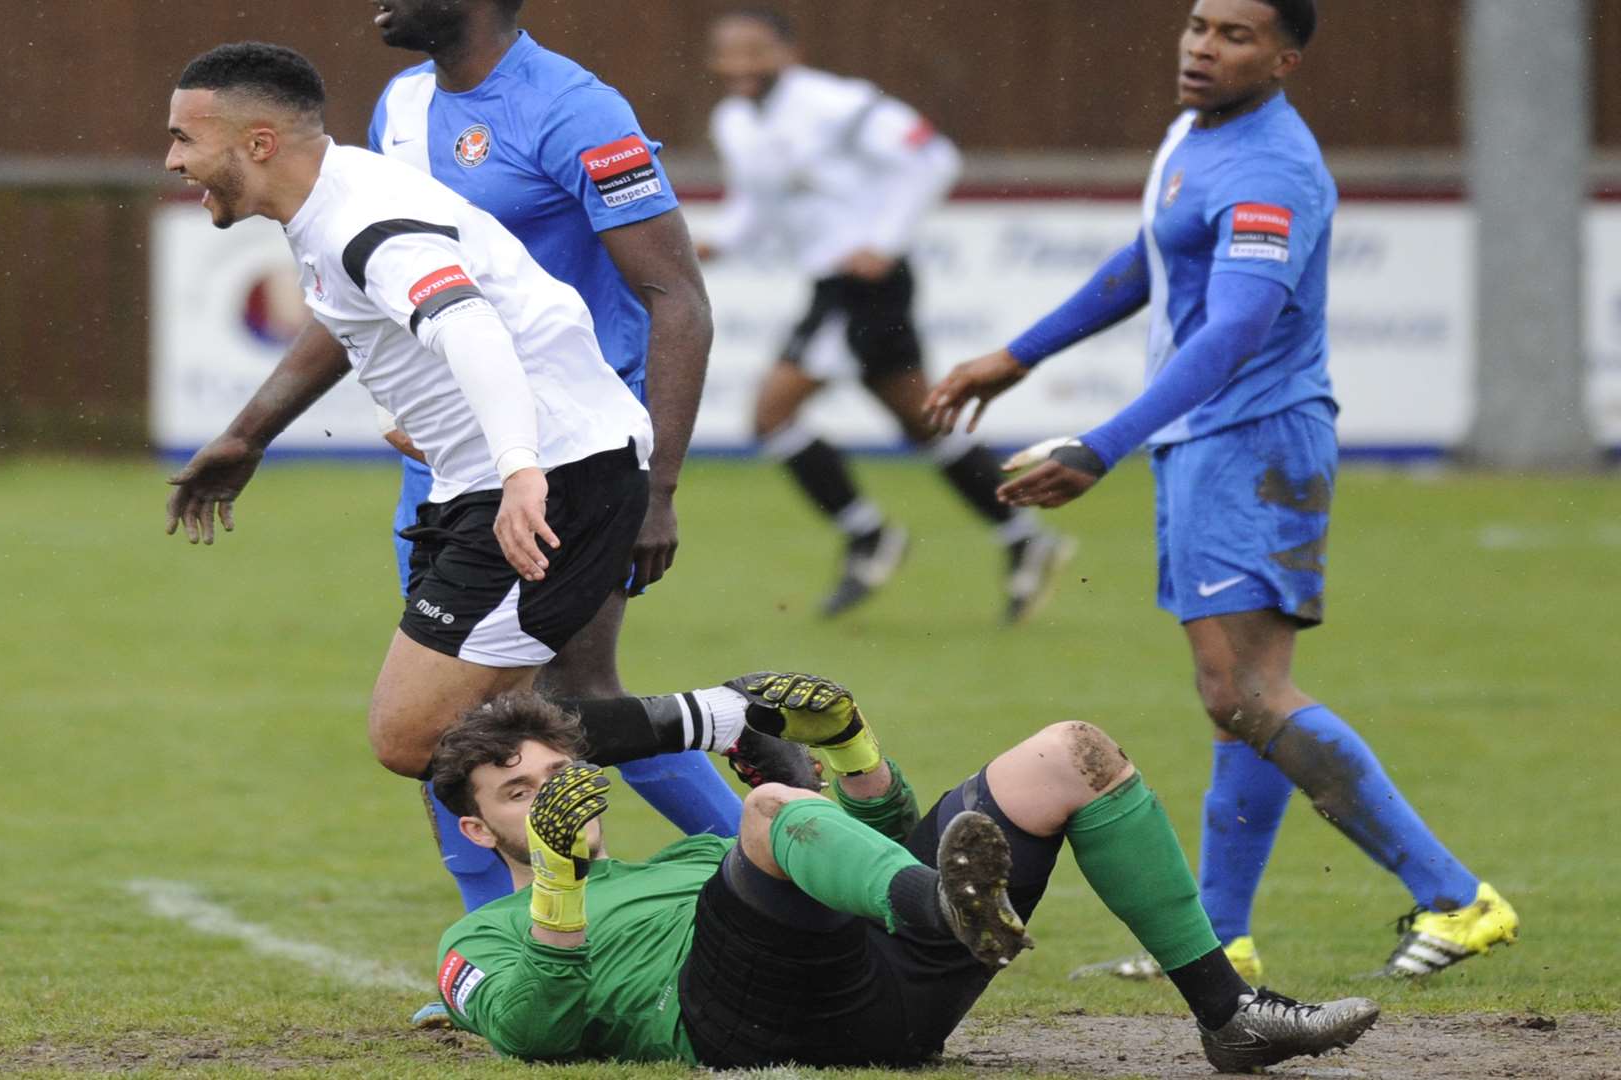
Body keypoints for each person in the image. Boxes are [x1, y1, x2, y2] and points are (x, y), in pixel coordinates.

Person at [924, 0, 1517, 980]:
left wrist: (1105, 443)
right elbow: (1149, 262)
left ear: (1285, 58)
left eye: (1235, 34)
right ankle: (1224, 936)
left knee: (1250, 690)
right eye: (1199, 24)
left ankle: (1457, 898)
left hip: (1252, 443)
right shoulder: (1198, 135)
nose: (1204, 45)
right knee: (1232, 697)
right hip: (1213, 443)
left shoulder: (1271, 169)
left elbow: (1237, 328)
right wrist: (1017, 356)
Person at [159, 42, 814, 863]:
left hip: (551, 482)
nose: (173, 159)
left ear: (257, 143)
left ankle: (731, 719)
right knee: (505, 736)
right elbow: (475, 321)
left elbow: (469, 326)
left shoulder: (366, 222)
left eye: (185, 138)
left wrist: (517, 469)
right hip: (534, 470)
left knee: (418, 739)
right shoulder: (341, 196)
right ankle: (574, 923)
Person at [429, 673, 1380, 1071]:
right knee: (771, 812)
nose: (551, 798)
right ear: (477, 831)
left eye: (560, 778)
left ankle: (1230, 1015)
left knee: (1070, 752)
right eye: (518, 794)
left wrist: (854, 752)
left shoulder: (689, 857)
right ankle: (945, 912)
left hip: (881, 983)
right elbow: (535, 1036)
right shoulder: (476, 941)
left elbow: (861, 844)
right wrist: (553, 879)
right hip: (737, 1020)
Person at [350, 0, 747, 920]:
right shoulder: (400, 105)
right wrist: (264, 428)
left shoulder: (577, 109)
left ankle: (779, 883)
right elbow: (391, 284)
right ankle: (491, 937)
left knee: (572, 697)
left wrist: (658, 489)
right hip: (450, 467)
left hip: (574, 461)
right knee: (449, 712)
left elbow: (677, 299)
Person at [696, 7, 1074, 621]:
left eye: (754, 51)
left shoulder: (836, 104)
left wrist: (886, 240)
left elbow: (934, 158)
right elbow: (756, 205)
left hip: (867, 285)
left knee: (771, 414)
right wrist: (716, 244)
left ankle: (868, 534)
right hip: (833, 284)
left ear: (787, 52)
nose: (740, 65)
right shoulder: (733, 121)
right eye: (728, 53)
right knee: (922, 419)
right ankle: (1023, 537)